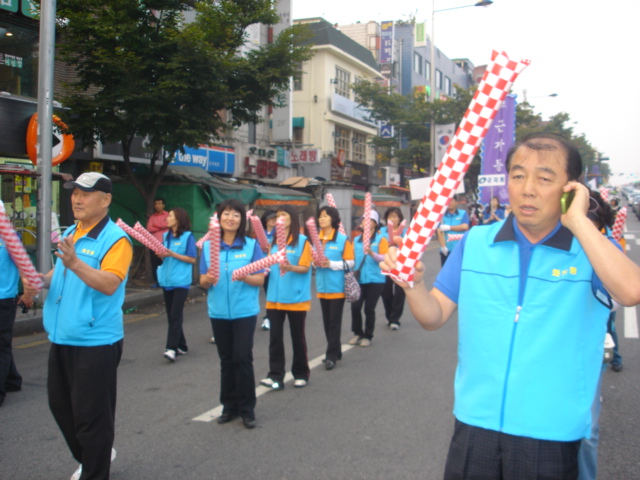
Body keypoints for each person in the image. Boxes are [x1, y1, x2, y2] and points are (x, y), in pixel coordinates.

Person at [382, 133, 640, 479]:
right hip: (475, 423)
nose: (527, 188)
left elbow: (630, 291)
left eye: (544, 178)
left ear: (571, 188)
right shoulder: (476, 242)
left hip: (551, 433)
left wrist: (578, 221)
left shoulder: (592, 248)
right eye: (518, 175)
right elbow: (434, 315)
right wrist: (413, 286)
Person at [42, 172, 133, 480]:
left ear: (105, 200)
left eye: (85, 193)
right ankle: (96, 456)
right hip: (63, 335)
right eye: (74, 192)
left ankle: (95, 470)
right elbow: (58, 274)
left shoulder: (116, 240)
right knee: (61, 407)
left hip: (96, 341)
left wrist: (75, 264)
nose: (77, 199)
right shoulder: (72, 231)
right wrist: (36, 281)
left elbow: (109, 284)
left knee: (91, 419)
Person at [200, 199, 264, 429]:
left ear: (242, 220)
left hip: (244, 311)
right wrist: (206, 280)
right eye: (226, 214)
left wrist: (244, 275)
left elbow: (259, 278)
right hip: (218, 312)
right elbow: (202, 280)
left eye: (236, 215)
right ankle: (229, 407)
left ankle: (247, 409)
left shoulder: (251, 246)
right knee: (226, 360)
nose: (230, 218)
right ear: (219, 218)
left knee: (242, 358)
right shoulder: (209, 247)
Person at [260, 205, 313, 390]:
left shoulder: (303, 242)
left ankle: (301, 373)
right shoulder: (273, 242)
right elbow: (268, 264)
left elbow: (306, 267)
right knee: (275, 338)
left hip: (296, 298)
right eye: (277, 215)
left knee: (297, 337)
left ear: (292, 218)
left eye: (283, 214)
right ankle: (275, 375)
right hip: (274, 298)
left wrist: (290, 268)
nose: (279, 218)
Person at [0, 200, 37, 408]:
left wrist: (28, 293)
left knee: (1, 344)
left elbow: (23, 266)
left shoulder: (10, 239)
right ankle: (12, 380)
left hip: (4, 299)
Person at [313, 206, 354, 370]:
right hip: (322, 288)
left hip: (337, 287)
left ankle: (330, 356)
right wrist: (314, 263)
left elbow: (350, 262)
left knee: (334, 323)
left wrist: (331, 264)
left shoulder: (343, 240)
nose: (321, 219)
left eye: (325, 216)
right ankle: (336, 350)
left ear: (333, 219)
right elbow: (312, 259)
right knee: (326, 322)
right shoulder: (317, 240)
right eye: (320, 216)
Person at [157, 207, 196, 362]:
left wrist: (173, 254)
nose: (167, 218)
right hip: (167, 280)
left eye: (170, 216)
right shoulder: (165, 236)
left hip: (181, 281)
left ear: (178, 219)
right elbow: (164, 258)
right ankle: (182, 345)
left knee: (174, 315)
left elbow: (192, 258)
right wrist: (161, 255)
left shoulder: (188, 237)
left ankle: (171, 348)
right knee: (172, 316)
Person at [349, 210, 388, 347]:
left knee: (369, 309)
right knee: (355, 307)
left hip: (375, 280)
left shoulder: (381, 240)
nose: (365, 221)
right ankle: (358, 333)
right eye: (364, 219)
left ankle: (368, 335)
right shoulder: (356, 240)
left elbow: (384, 257)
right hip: (359, 279)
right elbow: (351, 258)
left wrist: (372, 253)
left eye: (369, 219)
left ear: (375, 223)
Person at [380, 207, 406, 330]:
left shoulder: (405, 232)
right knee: (386, 291)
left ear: (399, 218)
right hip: (386, 263)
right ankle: (389, 314)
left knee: (400, 292)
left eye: (395, 216)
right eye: (390, 216)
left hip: (401, 264)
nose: (392, 219)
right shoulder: (382, 231)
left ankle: (395, 319)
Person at [436, 194, 469, 265]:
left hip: (460, 248)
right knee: (446, 272)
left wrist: (449, 227)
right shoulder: (441, 216)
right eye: (447, 201)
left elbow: (465, 226)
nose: (449, 203)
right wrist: (443, 247)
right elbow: (439, 232)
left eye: (451, 201)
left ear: (456, 202)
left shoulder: (462, 213)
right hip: (447, 249)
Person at [259, 210, 277, 331]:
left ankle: (269, 317)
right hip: (261, 266)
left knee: (271, 292)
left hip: (274, 267)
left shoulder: (279, 233)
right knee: (264, 291)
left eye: (275, 218)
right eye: (271, 218)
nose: (273, 220)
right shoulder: (260, 233)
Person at [146, 197, 169, 287]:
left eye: (159, 203)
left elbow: (167, 224)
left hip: (165, 243)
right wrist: (161, 227)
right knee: (155, 263)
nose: (157, 206)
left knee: (165, 263)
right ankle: (157, 282)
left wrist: (156, 226)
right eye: (156, 204)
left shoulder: (167, 215)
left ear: (163, 205)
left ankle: (166, 281)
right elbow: (149, 228)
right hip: (154, 244)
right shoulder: (152, 217)